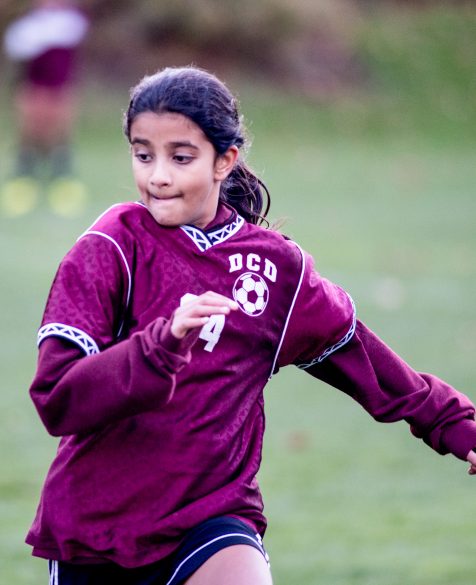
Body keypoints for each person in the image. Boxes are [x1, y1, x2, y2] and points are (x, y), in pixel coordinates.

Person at [26, 66, 476, 585]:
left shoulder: (276, 270)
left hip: (212, 515)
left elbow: (366, 362)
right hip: (98, 529)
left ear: (225, 161)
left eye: (181, 157)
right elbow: (57, 399)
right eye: (143, 154)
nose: (158, 176)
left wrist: (456, 426)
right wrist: (160, 345)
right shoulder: (110, 247)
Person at [1, 0, 89, 218]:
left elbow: (68, 33)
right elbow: (17, 49)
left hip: (60, 89)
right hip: (33, 87)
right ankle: (24, 180)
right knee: (30, 133)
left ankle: (62, 181)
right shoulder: (26, 27)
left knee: (60, 134)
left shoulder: (71, 22)